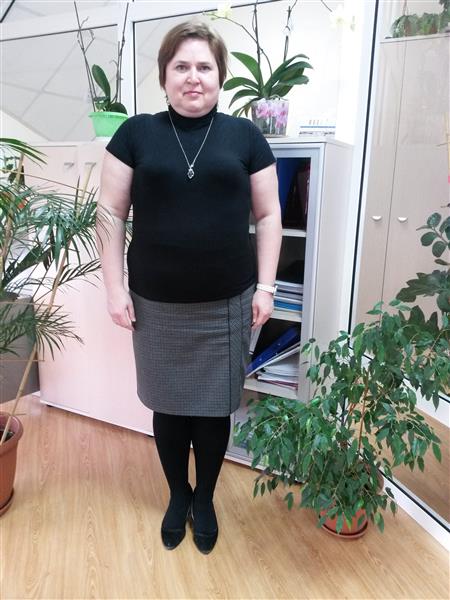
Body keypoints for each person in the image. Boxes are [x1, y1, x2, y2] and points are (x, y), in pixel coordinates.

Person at [97, 20, 282, 554]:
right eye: (181, 66)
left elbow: (269, 215)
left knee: (214, 409)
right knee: (169, 406)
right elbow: (109, 212)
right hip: (155, 303)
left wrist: (267, 287)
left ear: (220, 76)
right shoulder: (135, 134)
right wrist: (114, 288)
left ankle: (205, 498)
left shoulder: (245, 137)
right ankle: (179, 494)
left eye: (204, 66)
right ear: (164, 76)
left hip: (228, 303)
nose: (193, 77)